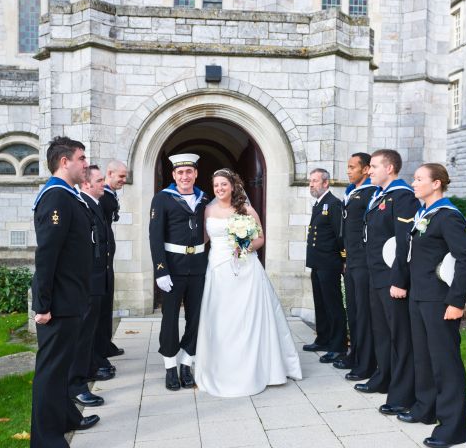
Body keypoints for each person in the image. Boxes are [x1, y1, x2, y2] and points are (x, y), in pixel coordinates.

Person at [195, 168, 302, 397]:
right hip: (218, 270)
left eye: (224, 184)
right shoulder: (208, 210)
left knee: (247, 318)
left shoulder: (247, 210)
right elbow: (203, 239)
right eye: (216, 186)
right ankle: (220, 367)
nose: (220, 189)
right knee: (222, 318)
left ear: (233, 186)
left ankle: (255, 367)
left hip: (246, 269)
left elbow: (260, 238)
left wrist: (244, 246)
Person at [30, 137, 99, 448]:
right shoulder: (56, 198)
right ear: (64, 162)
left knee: (63, 367)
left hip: (72, 297)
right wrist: (41, 304)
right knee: (51, 371)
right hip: (57, 302)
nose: (85, 164)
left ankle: (67, 417)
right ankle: (46, 440)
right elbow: (47, 254)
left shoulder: (69, 196)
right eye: (81, 158)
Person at [403, 163, 466, 448]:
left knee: (446, 363)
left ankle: (452, 428)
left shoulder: (448, 217)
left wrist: (456, 302)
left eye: (419, 179)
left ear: (436, 184)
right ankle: (426, 408)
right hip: (419, 296)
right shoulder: (425, 214)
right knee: (423, 357)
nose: (414, 183)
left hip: (439, 301)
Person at [356, 149, 420, 418]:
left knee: (400, 337)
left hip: (391, 280)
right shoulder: (379, 196)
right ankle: (384, 377)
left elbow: (404, 242)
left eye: (373, 166)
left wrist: (399, 280)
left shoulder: (402, 196)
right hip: (376, 276)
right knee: (381, 332)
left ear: (390, 168)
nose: (369, 171)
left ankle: (403, 393)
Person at [149, 153, 208, 391]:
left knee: (195, 318)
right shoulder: (162, 199)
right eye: (180, 172)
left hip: (199, 267)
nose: (185, 176)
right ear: (174, 175)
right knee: (170, 319)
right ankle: (170, 366)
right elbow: (155, 236)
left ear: (195, 174)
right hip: (172, 268)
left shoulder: (205, 199)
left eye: (189, 172)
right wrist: (160, 270)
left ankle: (187, 363)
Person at [67, 165, 111, 409]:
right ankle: (76, 384)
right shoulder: (81, 204)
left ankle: (89, 368)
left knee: (90, 333)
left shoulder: (92, 203)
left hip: (96, 278)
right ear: (86, 184)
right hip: (88, 281)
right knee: (82, 336)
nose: (103, 183)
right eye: (99, 180)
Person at [335, 153, 378, 382]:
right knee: (352, 311)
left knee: (364, 314)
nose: (348, 170)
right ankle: (355, 354)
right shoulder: (352, 191)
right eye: (348, 166)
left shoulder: (371, 192)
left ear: (366, 169)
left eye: (352, 167)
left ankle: (366, 363)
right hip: (351, 261)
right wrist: (344, 258)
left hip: (363, 262)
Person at [302, 168, 348, 363]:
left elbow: (340, 235)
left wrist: (344, 259)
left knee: (333, 305)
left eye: (315, 181)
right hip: (317, 262)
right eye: (310, 181)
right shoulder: (319, 204)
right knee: (320, 304)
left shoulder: (334, 204)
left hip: (330, 263)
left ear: (326, 183)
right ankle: (323, 338)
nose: (311, 184)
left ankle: (338, 346)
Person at [92, 160, 128, 380]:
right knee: (99, 307)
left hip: (107, 258)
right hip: (100, 259)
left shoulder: (110, 195)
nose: (124, 180)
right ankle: (99, 350)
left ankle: (105, 345)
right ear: (109, 173)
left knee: (106, 304)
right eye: (121, 176)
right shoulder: (102, 196)